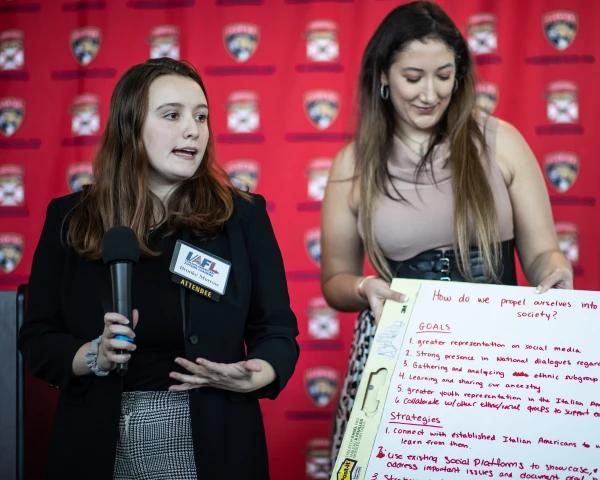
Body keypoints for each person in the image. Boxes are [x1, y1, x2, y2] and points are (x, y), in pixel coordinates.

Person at [18, 57, 299, 480]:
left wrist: (257, 374)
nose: (193, 130)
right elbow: (38, 338)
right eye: (172, 115)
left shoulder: (242, 216)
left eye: (201, 117)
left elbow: (276, 331)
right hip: (96, 444)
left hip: (214, 443)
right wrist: (93, 355)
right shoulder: (70, 217)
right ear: (130, 126)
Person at [319, 0, 573, 466]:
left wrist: (554, 269)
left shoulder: (501, 141)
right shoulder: (351, 165)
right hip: (397, 366)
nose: (430, 93)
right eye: (413, 77)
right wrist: (363, 287)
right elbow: (335, 280)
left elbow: (543, 255)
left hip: (500, 361)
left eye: (443, 75)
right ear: (383, 76)